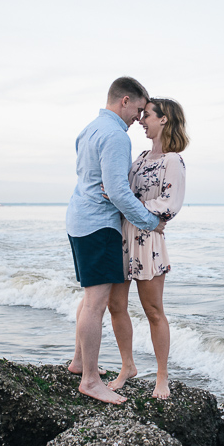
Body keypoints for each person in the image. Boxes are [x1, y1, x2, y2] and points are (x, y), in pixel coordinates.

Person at [66, 77, 165, 404]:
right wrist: (151, 221)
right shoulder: (115, 136)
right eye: (138, 109)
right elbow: (118, 192)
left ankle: (80, 362)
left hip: (78, 219)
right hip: (99, 225)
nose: (139, 118)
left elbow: (94, 180)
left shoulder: (89, 129)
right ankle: (91, 380)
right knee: (97, 303)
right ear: (124, 100)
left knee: (88, 297)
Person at [106, 98, 188, 399]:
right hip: (122, 236)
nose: (141, 120)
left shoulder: (173, 161)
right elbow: (120, 191)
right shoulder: (139, 158)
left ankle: (162, 376)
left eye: (148, 115)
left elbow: (169, 205)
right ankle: (127, 366)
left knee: (153, 310)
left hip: (148, 240)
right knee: (115, 306)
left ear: (164, 120)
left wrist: (132, 206)